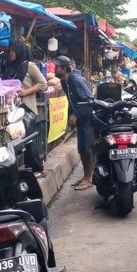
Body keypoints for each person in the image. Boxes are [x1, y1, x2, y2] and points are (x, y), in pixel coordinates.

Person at [4, 40, 47, 177]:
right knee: (15, 140)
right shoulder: (9, 67)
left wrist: (26, 92)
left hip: (26, 108)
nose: (10, 53)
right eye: (9, 50)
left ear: (20, 51)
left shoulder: (29, 66)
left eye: (13, 50)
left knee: (27, 140)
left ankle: (37, 168)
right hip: (12, 109)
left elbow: (43, 83)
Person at [53, 56, 94, 190]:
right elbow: (72, 101)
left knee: (86, 148)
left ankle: (89, 178)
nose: (55, 69)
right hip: (80, 119)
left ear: (65, 68)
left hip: (87, 118)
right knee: (82, 149)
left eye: (57, 67)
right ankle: (85, 175)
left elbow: (89, 101)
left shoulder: (76, 80)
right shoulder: (65, 81)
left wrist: (75, 115)